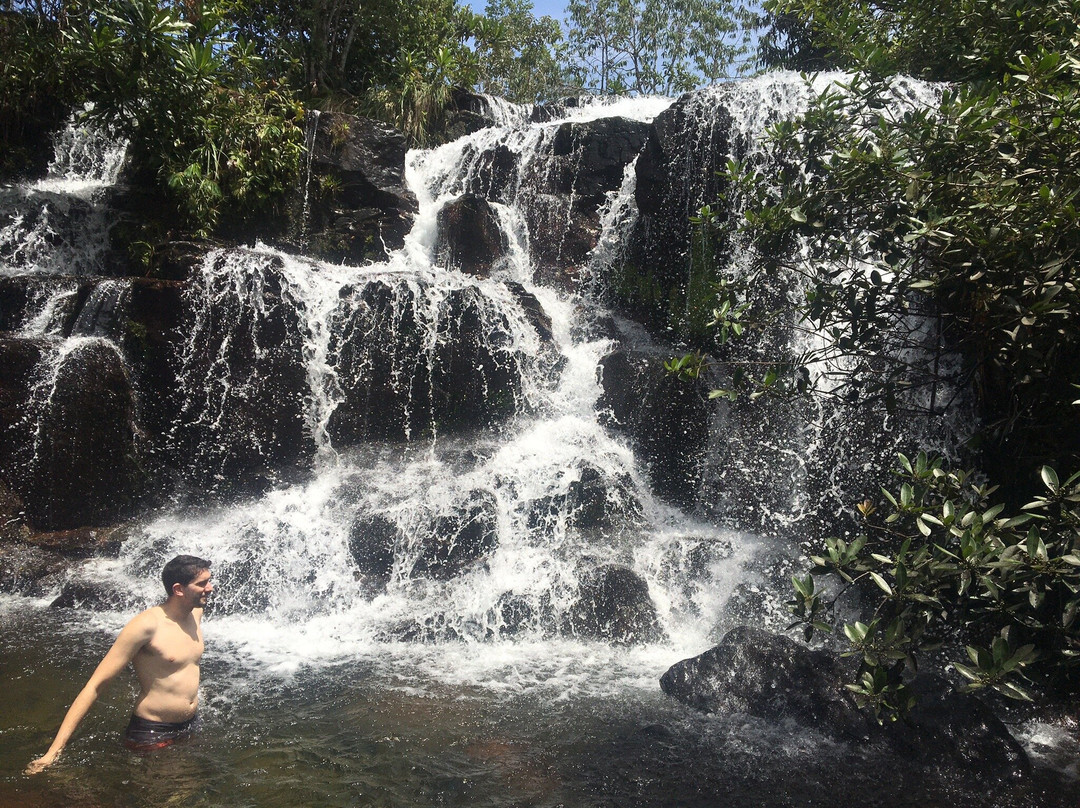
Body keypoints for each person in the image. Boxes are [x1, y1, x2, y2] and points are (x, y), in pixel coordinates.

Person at [25, 554, 213, 774]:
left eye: (209, 581)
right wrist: (53, 753)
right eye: (202, 584)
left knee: (191, 786)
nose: (210, 588)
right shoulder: (146, 626)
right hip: (153, 732)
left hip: (190, 724)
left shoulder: (196, 613)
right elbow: (95, 686)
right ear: (178, 589)